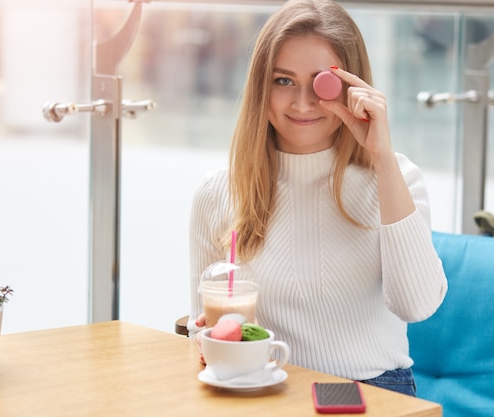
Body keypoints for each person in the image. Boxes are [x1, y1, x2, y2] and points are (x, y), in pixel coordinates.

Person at [188, 0, 447, 397]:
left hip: (372, 391)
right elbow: (201, 329)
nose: (303, 103)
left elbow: (417, 306)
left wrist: (381, 158)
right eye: (284, 81)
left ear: (352, 86)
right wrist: (211, 340)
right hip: (262, 387)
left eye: (322, 83)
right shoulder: (218, 192)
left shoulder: (397, 178)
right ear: (262, 87)